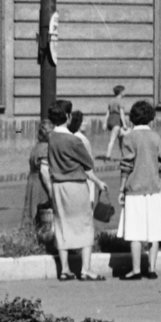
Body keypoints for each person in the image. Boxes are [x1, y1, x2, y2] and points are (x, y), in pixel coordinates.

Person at [39, 104, 105, 281]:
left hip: (58, 185)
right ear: (68, 116)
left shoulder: (51, 138)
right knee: (84, 225)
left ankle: (64, 269)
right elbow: (88, 163)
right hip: (75, 185)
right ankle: (86, 269)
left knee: (62, 224)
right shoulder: (75, 141)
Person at [117, 99, 161, 279]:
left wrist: (122, 188)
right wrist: (158, 182)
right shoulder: (156, 137)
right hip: (153, 189)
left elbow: (126, 165)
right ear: (150, 118)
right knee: (154, 231)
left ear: (132, 118)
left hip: (134, 188)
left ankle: (136, 269)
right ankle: (152, 268)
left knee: (135, 231)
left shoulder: (129, 138)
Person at [24, 117, 53, 244]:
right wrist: (51, 191)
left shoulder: (37, 146)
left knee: (31, 210)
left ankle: (31, 238)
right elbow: (44, 171)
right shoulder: (45, 148)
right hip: (40, 184)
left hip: (32, 182)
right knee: (41, 213)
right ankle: (41, 240)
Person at [104, 85, 129, 159]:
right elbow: (121, 114)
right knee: (113, 139)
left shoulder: (111, 101)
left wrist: (105, 122)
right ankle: (107, 156)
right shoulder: (120, 101)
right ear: (121, 92)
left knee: (121, 138)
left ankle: (122, 155)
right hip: (117, 120)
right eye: (124, 91)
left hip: (111, 120)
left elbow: (107, 113)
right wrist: (124, 124)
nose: (125, 93)